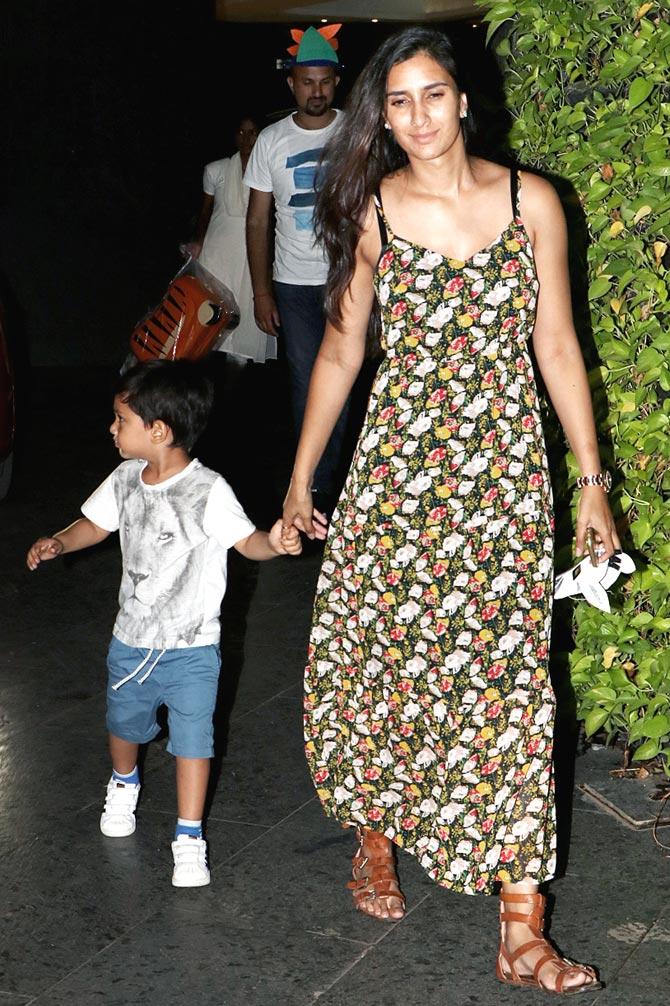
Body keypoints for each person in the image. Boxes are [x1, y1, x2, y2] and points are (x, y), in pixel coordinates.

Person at [282, 26, 620, 995]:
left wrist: (589, 482)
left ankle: (522, 925)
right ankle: (376, 839)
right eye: (397, 102)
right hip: (396, 481)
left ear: (463, 99)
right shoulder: (372, 208)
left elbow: (557, 342)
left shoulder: (532, 201)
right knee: (385, 662)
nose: (418, 118)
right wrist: (304, 477)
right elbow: (343, 350)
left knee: (510, 690)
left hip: (503, 482)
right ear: (378, 118)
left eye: (432, 95)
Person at [26, 360, 322, 888]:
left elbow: (245, 542)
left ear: (158, 431)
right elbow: (93, 525)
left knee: (194, 742)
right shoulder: (124, 479)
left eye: (120, 419)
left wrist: (274, 542)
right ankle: (124, 781)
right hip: (132, 640)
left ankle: (189, 836)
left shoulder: (207, 490)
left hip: (193, 648)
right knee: (124, 726)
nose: (111, 429)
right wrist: (60, 541)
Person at [244, 25, 348, 510]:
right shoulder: (270, 140)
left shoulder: (354, 131)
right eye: (307, 82)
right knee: (306, 379)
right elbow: (258, 217)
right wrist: (261, 292)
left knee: (343, 379)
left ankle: (327, 477)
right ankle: (315, 480)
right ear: (291, 84)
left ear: (335, 83)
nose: (316, 91)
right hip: (293, 283)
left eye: (324, 81)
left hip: (349, 279)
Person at [185, 113, 277, 369]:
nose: (247, 139)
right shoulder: (216, 170)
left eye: (253, 132)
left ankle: (231, 398)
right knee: (205, 325)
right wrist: (197, 243)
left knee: (241, 336)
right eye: (242, 132)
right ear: (234, 136)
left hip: (250, 257)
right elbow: (205, 213)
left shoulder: (268, 171)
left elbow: (271, 220)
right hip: (217, 256)